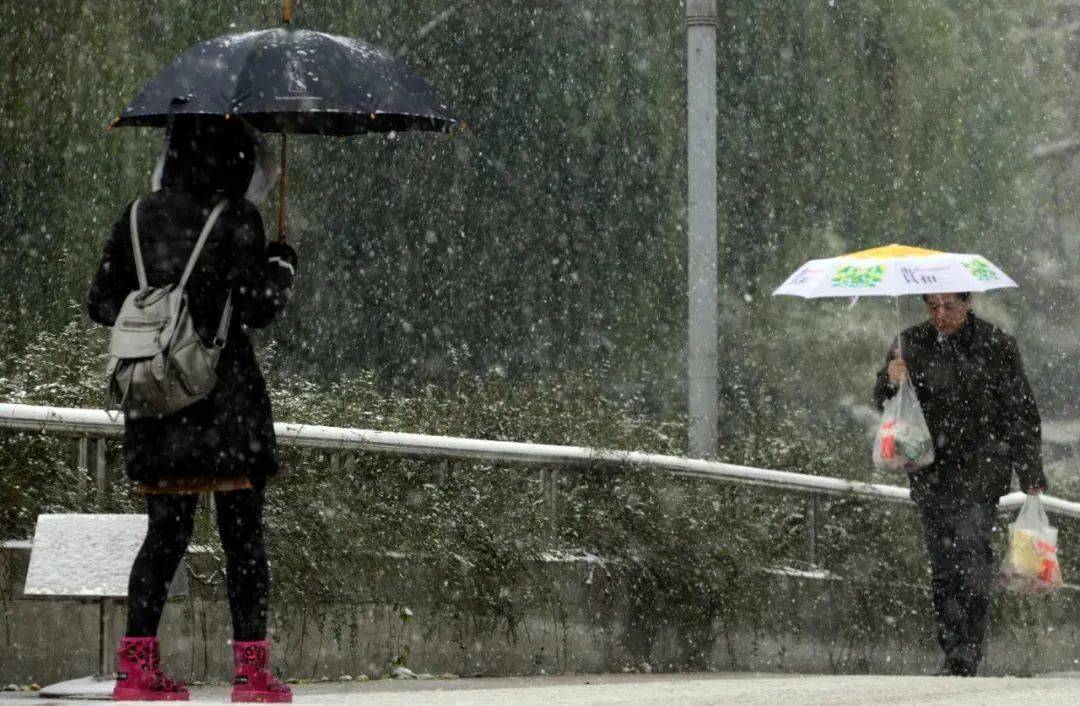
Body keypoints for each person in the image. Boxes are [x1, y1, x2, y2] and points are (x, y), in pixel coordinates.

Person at [88, 116, 296, 703]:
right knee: (243, 539)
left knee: (163, 537)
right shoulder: (236, 217)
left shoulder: (135, 216)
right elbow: (257, 308)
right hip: (225, 403)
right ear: (237, 159)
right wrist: (281, 268)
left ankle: (135, 671)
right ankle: (251, 675)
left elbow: (101, 303)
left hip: (156, 399)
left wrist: (159, 300)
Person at [874, 292, 1045, 677]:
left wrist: (1030, 471)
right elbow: (881, 401)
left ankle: (967, 650)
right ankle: (953, 649)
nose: (940, 315)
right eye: (932, 307)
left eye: (949, 306)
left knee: (970, 556)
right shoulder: (909, 343)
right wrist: (890, 379)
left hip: (981, 470)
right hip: (930, 471)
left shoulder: (996, 345)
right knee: (943, 566)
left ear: (968, 303)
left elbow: (1021, 410)